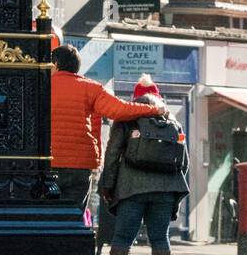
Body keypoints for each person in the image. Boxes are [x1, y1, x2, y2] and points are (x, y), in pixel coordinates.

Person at [50, 46, 166, 213]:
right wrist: (154, 109)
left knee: (46, 217)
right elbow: (119, 109)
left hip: (47, 163)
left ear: (56, 64)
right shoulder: (90, 88)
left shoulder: (41, 86)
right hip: (80, 164)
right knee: (74, 217)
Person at [99, 77, 189, 255]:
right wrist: (173, 189)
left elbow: (112, 154)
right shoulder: (171, 120)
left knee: (122, 238)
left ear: (135, 97)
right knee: (160, 238)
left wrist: (108, 185)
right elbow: (184, 161)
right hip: (164, 192)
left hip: (131, 190)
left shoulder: (127, 118)